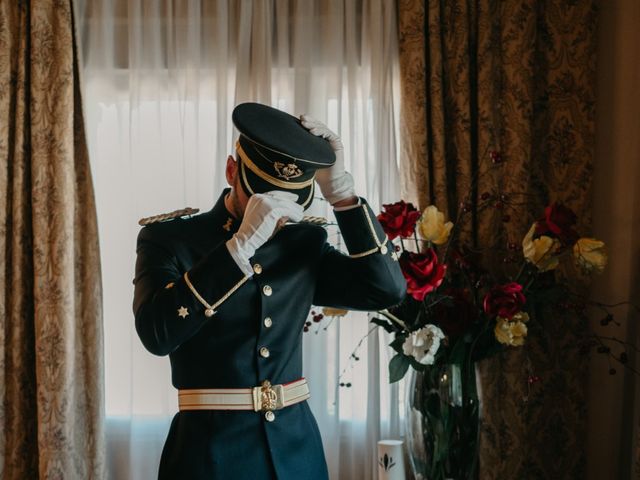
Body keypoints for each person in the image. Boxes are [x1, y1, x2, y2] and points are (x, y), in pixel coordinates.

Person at [133, 102, 406, 479]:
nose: (277, 212)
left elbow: (385, 290)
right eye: (263, 197)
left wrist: (343, 196)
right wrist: (238, 248)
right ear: (232, 170)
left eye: (288, 200)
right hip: (209, 455)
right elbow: (156, 333)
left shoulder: (303, 242)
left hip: (296, 454)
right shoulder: (170, 238)